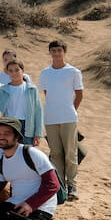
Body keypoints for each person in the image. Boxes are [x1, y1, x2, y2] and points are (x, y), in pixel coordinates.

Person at [39, 40, 84, 200]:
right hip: (50, 117)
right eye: (53, 50)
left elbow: (79, 94)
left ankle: (72, 186)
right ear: (50, 52)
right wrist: (56, 108)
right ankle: (60, 186)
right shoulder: (45, 73)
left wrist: (70, 109)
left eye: (59, 50)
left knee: (70, 153)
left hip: (68, 117)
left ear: (64, 52)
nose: (56, 53)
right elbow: (47, 93)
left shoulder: (73, 72)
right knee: (56, 153)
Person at [0, 60, 44, 147]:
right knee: (9, 151)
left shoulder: (31, 89)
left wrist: (38, 133)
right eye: (11, 71)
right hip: (8, 124)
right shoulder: (3, 90)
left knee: (26, 153)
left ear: (23, 71)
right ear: (7, 73)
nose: (14, 73)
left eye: (17, 70)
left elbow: (38, 112)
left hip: (27, 126)